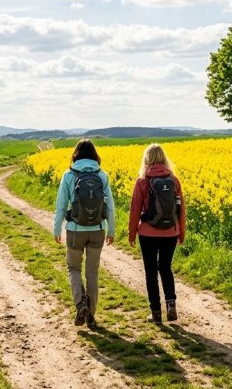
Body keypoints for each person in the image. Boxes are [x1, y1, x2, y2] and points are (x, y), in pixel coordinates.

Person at [53, 139, 115, 328]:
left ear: (76, 154)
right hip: (97, 229)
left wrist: (57, 229)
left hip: (74, 230)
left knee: (73, 268)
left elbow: (61, 206)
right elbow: (110, 207)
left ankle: (80, 305)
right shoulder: (101, 175)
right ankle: (92, 315)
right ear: (95, 155)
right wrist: (111, 230)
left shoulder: (69, 175)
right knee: (92, 272)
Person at [128, 143, 185, 323]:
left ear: (147, 159)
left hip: (148, 234)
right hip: (170, 233)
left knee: (151, 272)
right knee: (166, 268)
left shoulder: (142, 181)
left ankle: (156, 313)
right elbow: (181, 209)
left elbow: (135, 210)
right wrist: (181, 232)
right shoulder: (174, 180)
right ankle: (171, 305)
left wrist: (131, 234)